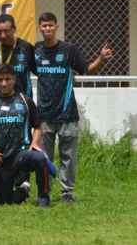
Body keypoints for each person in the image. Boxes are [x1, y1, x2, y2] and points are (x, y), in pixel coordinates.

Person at [35, 12, 113, 203]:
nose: (47, 29)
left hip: (67, 112)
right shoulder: (35, 50)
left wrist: (101, 59)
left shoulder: (69, 49)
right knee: (43, 156)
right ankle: (44, 190)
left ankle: (66, 191)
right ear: (39, 28)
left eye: (50, 25)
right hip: (43, 113)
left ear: (56, 27)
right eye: (44, 26)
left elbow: (87, 69)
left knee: (67, 156)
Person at [0, 64, 51, 208]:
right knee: (3, 201)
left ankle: (43, 199)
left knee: (41, 158)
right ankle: (23, 192)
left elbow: (38, 126)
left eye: (8, 79)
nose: (4, 83)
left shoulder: (25, 101)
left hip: (22, 153)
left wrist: (35, 143)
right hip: (0, 158)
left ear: (14, 79)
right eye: (0, 80)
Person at [0, 14, 36, 98]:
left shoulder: (26, 48)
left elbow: (40, 73)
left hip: (22, 103)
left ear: (14, 29)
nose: (2, 35)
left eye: (6, 31)